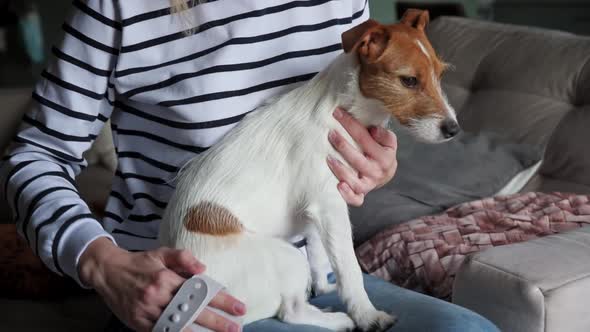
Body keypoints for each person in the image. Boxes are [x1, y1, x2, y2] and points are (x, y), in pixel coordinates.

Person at [0, 1, 499, 331]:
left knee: (471, 329)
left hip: (311, 271)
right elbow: (33, 155)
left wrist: (375, 159)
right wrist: (103, 263)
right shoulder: (120, 6)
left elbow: (356, 107)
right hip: (187, 285)